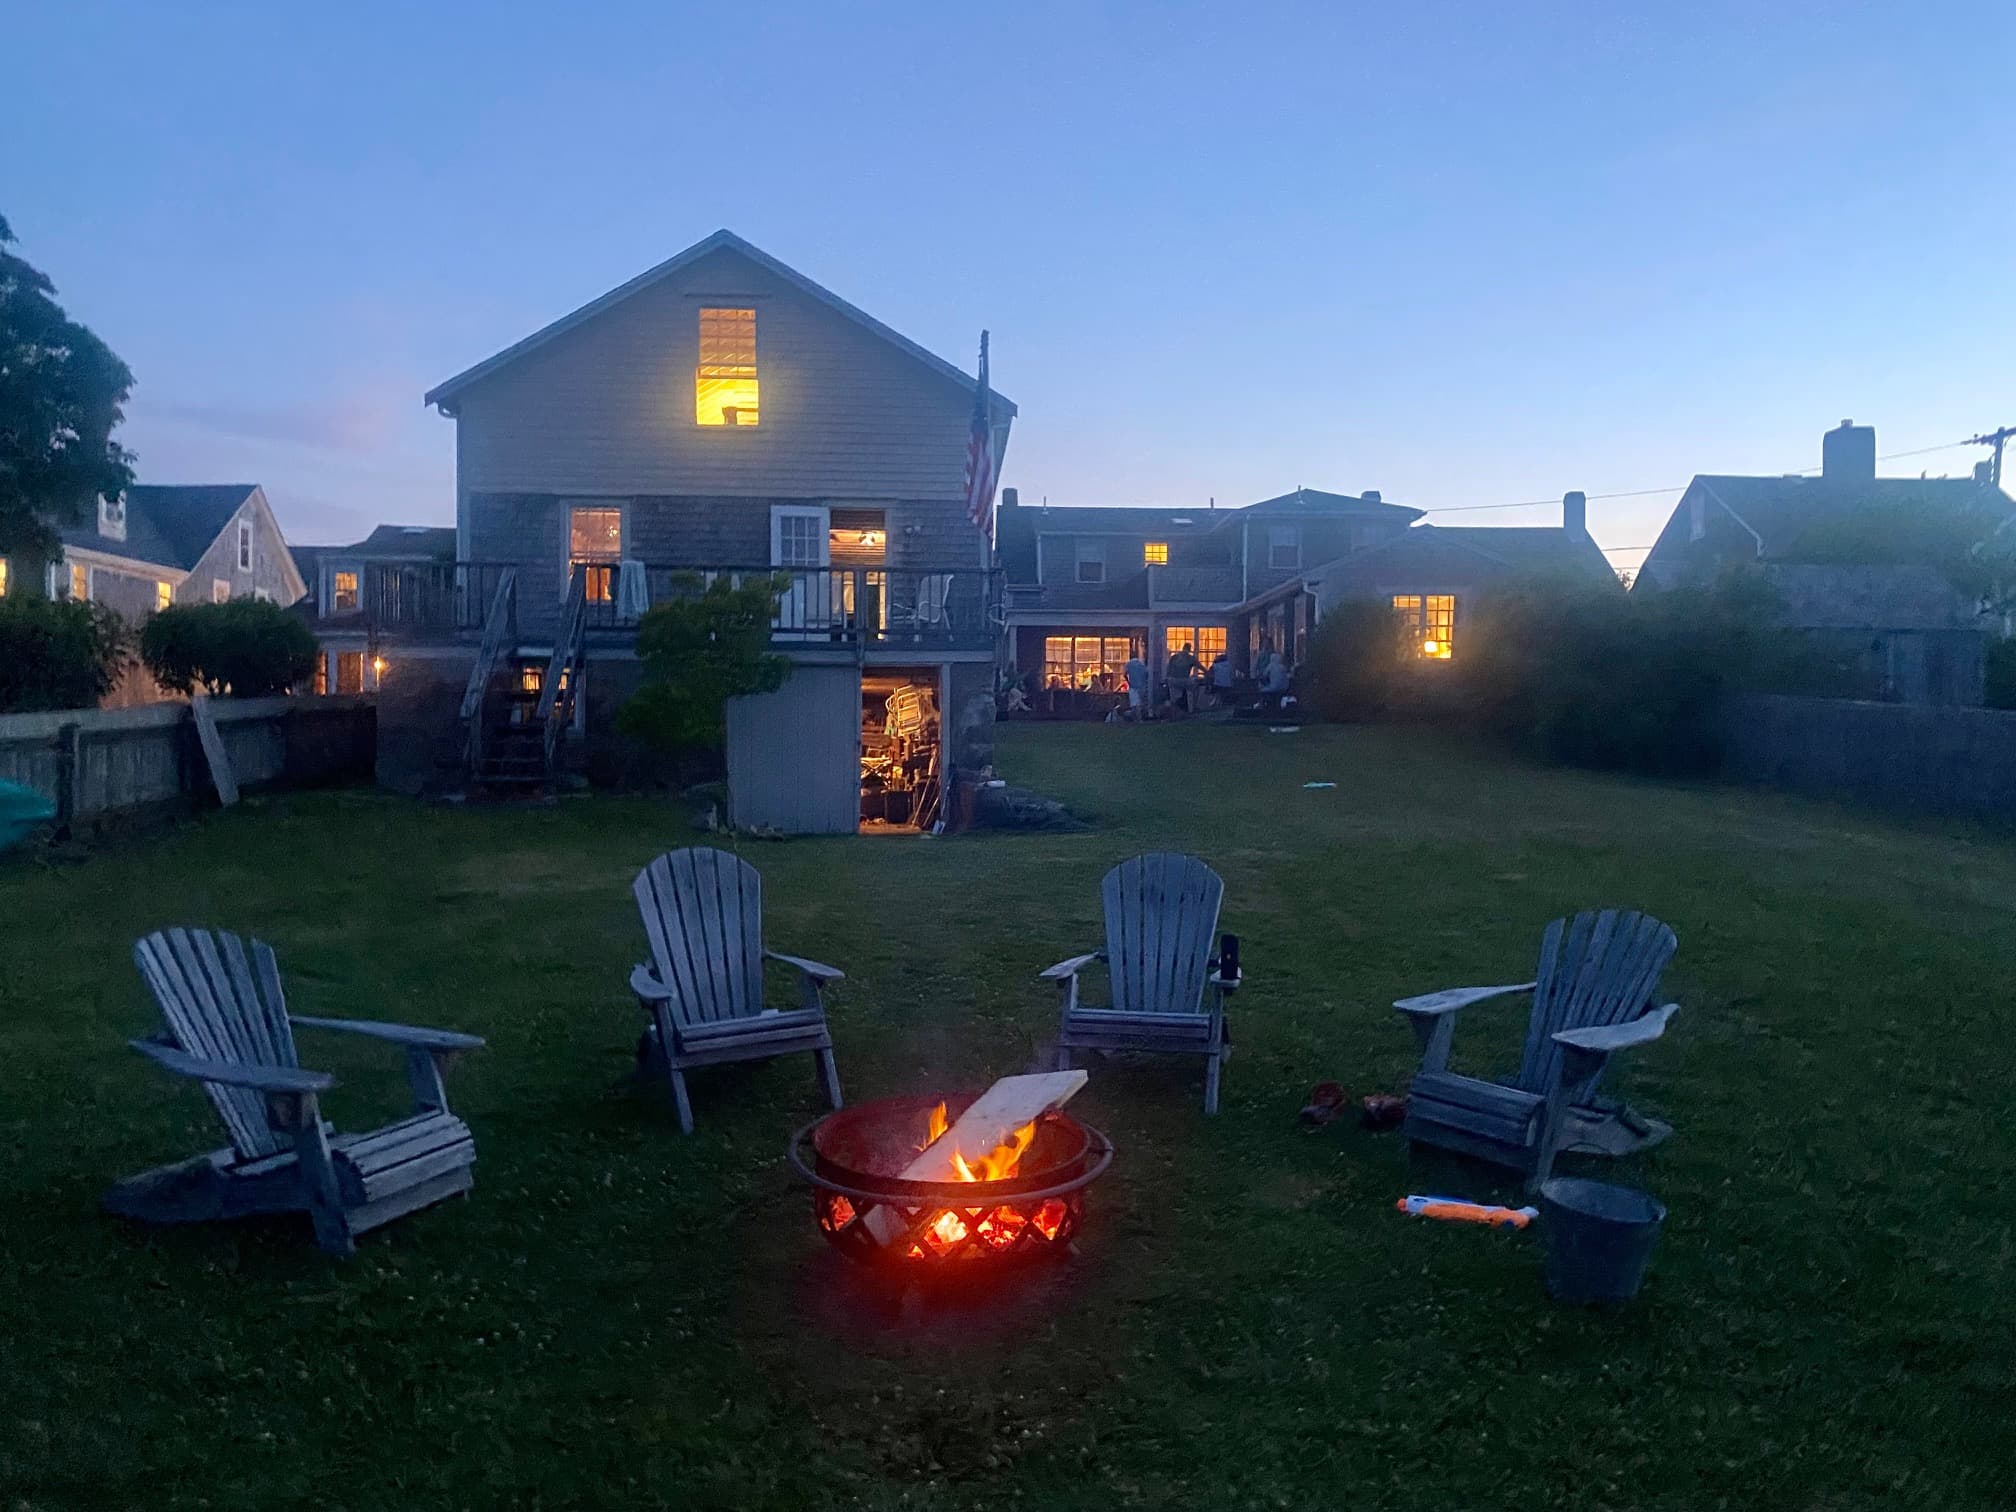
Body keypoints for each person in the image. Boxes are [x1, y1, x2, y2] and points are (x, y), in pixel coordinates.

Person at [1166, 641, 1199, 713]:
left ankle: (1173, 712)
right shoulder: (1190, 658)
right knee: (1196, 687)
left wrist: (1167, 678)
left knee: (1173, 698)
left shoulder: (1174, 657)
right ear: (1189, 649)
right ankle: (1194, 707)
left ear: (1183, 648)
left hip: (1172, 680)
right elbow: (1201, 667)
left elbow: (1168, 669)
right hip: (1183, 680)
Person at [1123, 651, 1151, 721]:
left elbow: (1124, 674)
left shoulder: (1129, 664)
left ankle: (1136, 719)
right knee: (1139, 704)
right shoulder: (1141, 664)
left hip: (1132, 686)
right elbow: (1147, 673)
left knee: (1134, 705)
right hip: (1142, 686)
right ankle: (1140, 719)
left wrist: (1128, 682)